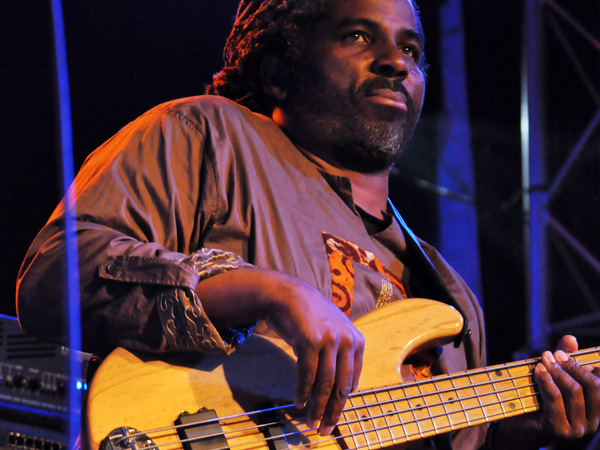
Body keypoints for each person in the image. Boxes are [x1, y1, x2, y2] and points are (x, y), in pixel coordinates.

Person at [16, 0, 600, 448]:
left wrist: (536, 428)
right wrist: (267, 291)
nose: (397, 62)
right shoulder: (211, 137)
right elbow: (55, 273)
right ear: (280, 71)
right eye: (358, 36)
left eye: (412, 49)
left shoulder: (453, 298)